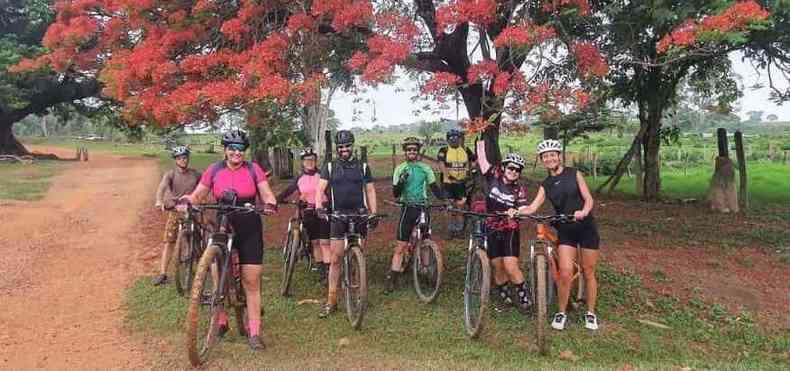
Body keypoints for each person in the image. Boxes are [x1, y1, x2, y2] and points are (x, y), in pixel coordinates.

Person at [180, 129, 278, 350]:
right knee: (217, 275)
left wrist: (270, 203)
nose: (237, 153)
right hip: (221, 222)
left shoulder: (254, 169)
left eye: (241, 149)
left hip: (249, 226)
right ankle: (222, 320)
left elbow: (266, 193)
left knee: (251, 281)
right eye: (232, 148)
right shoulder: (214, 170)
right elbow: (199, 194)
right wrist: (188, 200)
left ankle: (254, 332)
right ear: (225, 150)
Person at [522, 139, 601, 331]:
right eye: (545, 156)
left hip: (586, 227)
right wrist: (515, 210)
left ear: (559, 156)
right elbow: (533, 206)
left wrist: (583, 211)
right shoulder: (546, 184)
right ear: (542, 160)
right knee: (565, 273)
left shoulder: (574, 174)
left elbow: (588, 199)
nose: (549, 158)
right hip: (566, 230)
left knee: (588, 271)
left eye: (552, 154)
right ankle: (561, 312)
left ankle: (590, 312)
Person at [315, 130, 378, 317]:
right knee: (335, 259)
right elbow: (320, 189)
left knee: (359, 257)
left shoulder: (363, 167)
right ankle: (331, 300)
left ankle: (360, 293)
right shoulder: (330, 166)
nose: (344, 149)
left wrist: (373, 212)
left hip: (359, 214)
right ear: (337, 148)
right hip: (338, 215)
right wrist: (319, 206)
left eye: (347, 146)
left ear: (352, 146)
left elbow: (371, 190)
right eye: (341, 147)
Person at [476, 142, 533, 314]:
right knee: (497, 265)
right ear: (504, 167)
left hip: (509, 229)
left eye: (517, 169)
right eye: (511, 167)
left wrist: (516, 211)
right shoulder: (493, 175)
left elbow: (523, 208)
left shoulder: (519, 190)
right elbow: (482, 160)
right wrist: (480, 143)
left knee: (510, 266)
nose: (514, 171)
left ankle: (524, 295)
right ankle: (503, 290)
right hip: (491, 226)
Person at [388, 137, 445, 292]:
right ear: (405, 152)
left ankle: (425, 272)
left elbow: (434, 187)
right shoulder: (400, 169)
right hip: (407, 208)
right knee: (401, 246)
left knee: (425, 241)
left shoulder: (425, 168)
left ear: (418, 152)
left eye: (414, 150)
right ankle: (393, 278)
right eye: (409, 150)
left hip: (423, 207)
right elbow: (395, 193)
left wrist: (444, 200)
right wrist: (401, 181)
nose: (412, 152)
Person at [276, 147, 331, 281]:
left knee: (325, 241)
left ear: (316, 161)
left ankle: (330, 269)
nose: (310, 162)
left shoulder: (322, 175)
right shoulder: (299, 178)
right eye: (307, 160)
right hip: (307, 211)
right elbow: (289, 190)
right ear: (302, 162)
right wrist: (278, 199)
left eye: (312, 159)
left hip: (323, 210)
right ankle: (321, 270)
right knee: (315, 242)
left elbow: (330, 192)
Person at [152, 145, 200, 286]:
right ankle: (163, 273)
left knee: (198, 237)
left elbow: (207, 184)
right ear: (176, 160)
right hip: (176, 210)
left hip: (192, 210)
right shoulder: (171, 174)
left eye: (185, 158)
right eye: (180, 158)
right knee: (169, 241)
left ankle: (201, 264)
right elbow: (162, 187)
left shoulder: (195, 174)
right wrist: (159, 200)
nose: (183, 160)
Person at [437, 129, 477, 237]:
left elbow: (473, 160)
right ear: (448, 140)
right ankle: (450, 230)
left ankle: (459, 230)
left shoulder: (465, 149)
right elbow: (441, 164)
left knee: (460, 207)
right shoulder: (444, 150)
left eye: (456, 138)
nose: (454, 140)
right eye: (451, 138)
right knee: (449, 207)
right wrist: (447, 175)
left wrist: (471, 170)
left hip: (461, 184)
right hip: (448, 184)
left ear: (460, 139)